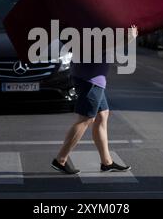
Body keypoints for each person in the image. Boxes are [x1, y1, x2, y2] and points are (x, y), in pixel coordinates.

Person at [52, 25, 139, 175]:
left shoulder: (88, 21)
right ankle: (60, 160)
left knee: (102, 115)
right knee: (85, 119)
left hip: (91, 78)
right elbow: (99, 46)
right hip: (90, 79)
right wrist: (129, 39)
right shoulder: (90, 25)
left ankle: (107, 162)